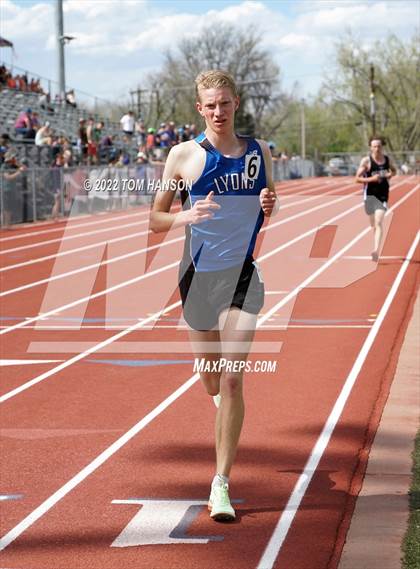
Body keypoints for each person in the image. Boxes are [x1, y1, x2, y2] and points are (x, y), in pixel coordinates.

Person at [150, 70, 278, 522]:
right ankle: (222, 406)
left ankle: (220, 482)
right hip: (198, 276)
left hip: (242, 276)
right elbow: (155, 219)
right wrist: (186, 219)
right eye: (211, 105)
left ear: (235, 103)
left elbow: (270, 197)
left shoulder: (260, 150)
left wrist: (268, 205)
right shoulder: (183, 155)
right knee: (210, 379)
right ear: (199, 109)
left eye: (225, 103)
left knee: (232, 378)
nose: (219, 111)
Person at [355, 136, 397, 262]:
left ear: (382, 147)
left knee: (379, 222)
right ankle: (375, 242)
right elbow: (357, 178)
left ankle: (376, 251)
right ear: (371, 147)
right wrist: (371, 179)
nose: (377, 149)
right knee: (373, 224)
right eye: (374, 146)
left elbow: (394, 171)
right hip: (369, 195)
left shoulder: (387, 160)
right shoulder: (366, 162)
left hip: (383, 194)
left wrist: (389, 175)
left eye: (379, 146)